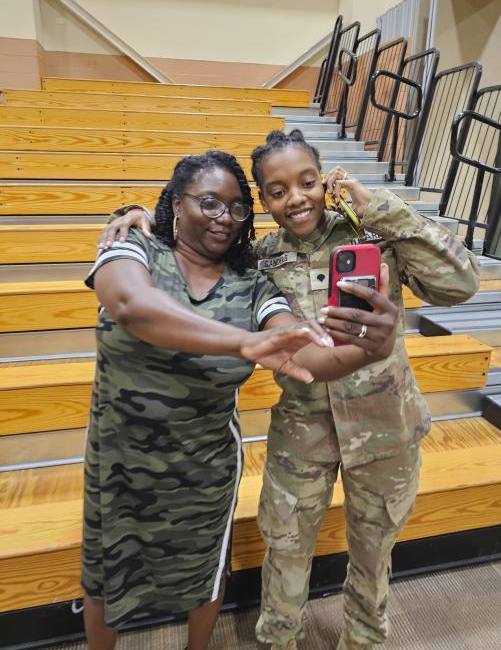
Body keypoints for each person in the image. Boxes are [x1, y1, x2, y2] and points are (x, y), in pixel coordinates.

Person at [102, 130, 479, 650]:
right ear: (263, 199)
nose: (295, 197)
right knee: (285, 549)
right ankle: (280, 641)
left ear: (325, 179)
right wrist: (139, 211)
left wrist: (383, 208)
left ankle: (363, 642)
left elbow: (461, 285)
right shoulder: (258, 257)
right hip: (302, 427)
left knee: (373, 555)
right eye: (276, 191)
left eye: (306, 182)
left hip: (385, 424)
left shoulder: (373, 234)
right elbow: (195, 241)